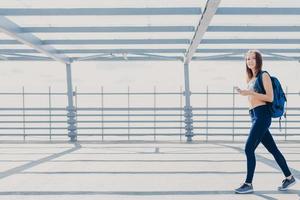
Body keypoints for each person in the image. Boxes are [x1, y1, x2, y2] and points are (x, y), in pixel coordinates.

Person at [234, 50, 296, 194]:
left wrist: (249, 93)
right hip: (255, 116)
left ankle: (248, 184)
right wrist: (245, 92)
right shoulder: (250, 78)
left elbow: (270, 98)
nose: (249, 61)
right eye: (247, 59)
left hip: (262, 116)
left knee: (248, 148)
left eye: (253, 58)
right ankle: (289, 177)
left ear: (259, 60)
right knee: (273, 149)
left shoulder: (264, 75)